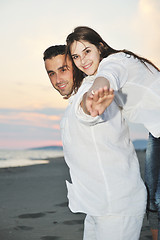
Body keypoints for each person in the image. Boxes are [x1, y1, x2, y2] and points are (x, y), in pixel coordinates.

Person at [65, 26, 160, 240]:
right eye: (76, 56)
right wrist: (89, 104)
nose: (82, 60)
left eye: (87, 51)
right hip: (156, 132)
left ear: (100, 46)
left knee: (156, 202)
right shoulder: (101, 71)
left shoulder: (117, 61)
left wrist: (97, 93)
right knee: (154, 204)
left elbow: (108, 77)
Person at [43, 45, 147, 240]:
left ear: (75, 65)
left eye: (63, 69)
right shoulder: (76, 98)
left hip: (117, 206)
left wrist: (90, 106)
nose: (57, 80)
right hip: (96, 206)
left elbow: (89, 111)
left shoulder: (94, 91)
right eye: (51, 73)